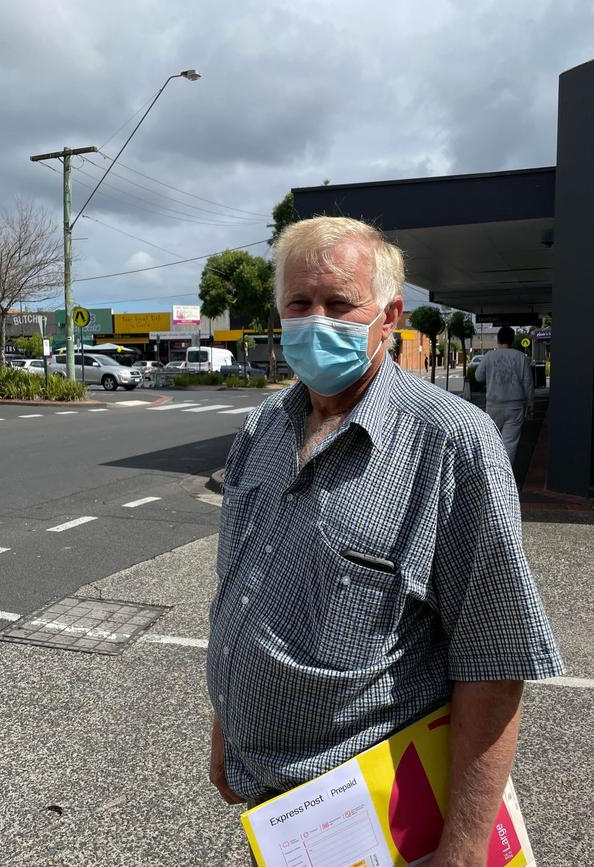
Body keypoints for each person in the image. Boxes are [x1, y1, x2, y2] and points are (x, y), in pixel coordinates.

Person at [207, 217, 563, 867]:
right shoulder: (262, 426)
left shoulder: (452, 444)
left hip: (382, 816)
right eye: (299, 304)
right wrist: (225, 732)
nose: (316, 321)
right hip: (279, 818)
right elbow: (241, 592)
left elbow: (495, 659)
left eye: (339, 304)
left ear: (391, 314)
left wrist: (461, 851)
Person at [474, 327, 535, 464]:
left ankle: (491, 471)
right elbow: (528, 383)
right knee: (510, 442)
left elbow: (478, 376)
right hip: (515, 406)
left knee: (491, 440)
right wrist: (531, 404)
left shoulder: (490, 356)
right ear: (512, 340)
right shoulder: (520, 357)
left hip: (493, 405)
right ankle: (506, 477)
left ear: (498, 339)